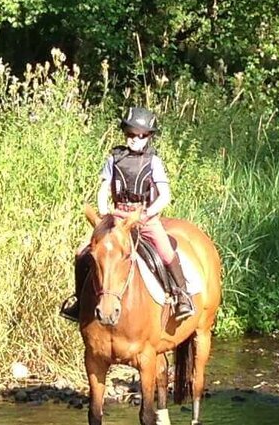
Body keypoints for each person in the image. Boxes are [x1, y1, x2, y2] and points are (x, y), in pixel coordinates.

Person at [66, 107, 192, 321]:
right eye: (130, 134)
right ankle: (79, 302)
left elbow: (165, 195)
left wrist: (148, 213)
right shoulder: (114, 159)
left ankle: (182, 296)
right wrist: (104, 211)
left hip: (145, 218)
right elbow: (104, 189)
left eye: (140, 135)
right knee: (82, 252)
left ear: (148, 137)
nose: (134, 139)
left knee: (165, 251)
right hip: (117, 216)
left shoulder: (154, 162)